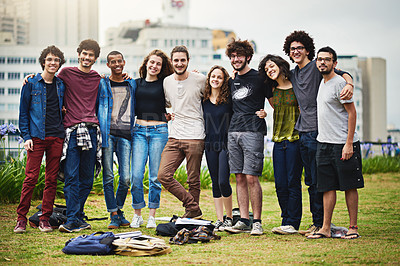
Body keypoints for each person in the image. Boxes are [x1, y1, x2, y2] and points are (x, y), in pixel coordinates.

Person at [283, 31, 354, 236]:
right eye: (292, 49)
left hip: (319, 132)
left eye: (299, 48)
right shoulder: (294, 73)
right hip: (302, 131)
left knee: (319, 181)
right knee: (310, 181)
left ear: (307, 50)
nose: (296, 51)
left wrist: (349, 83)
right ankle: (318, 222)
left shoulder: (317, 66)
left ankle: (323, 224)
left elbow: (342, 73)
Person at [307, 47, 363, 239]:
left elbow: (352, 113)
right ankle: (325, 228)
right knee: (327, 186)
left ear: (335, 63)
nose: (323, 62)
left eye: (327, 60)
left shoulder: (340, 84)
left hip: (342, 143)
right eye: (320, 59)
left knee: (349, 185)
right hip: (323, 142)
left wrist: (348, 144)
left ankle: (353, 227)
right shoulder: (323, 83)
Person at [14, 45, 66, 233]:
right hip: (36, 137)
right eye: (50, 59)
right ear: (43, 61)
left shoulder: (61, 84)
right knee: (30, 178)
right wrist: (26, 136)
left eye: (56, 60)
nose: (53, 63)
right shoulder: (31, 83)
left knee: (51, 180)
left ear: (60, 63)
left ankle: (45, 218)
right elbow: (23, 113)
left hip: (56, 137)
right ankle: (21, 219)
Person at [223, 39, 272, 235]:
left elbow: (275, 100)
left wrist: (266, 113)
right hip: (233, 131)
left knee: (252, 177)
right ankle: (244, 219)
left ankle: (257, 221)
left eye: (239, 56)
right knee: (239, 176)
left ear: (248, 57)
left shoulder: (260, 78)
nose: (236, 59)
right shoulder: (231, 80)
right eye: (233, 56)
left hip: (253, 131)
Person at [58, 39, 102, 232]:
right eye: (84, 53)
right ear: (79, 54)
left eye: (91, 55)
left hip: (92, 131)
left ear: (95, 58)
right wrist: (32, 78)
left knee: (88, 179)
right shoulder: (66, 73)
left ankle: (76, 215)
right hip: (73, 131)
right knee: (71, 177)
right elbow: (50, 84)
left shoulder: (97, 78)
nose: (87, 57)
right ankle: (72, 219)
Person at [157, 45, 206, 219]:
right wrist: (166, 115)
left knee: (193, 179)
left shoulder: (200, 79)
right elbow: (169, 103)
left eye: (182, 60)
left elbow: (213, 97)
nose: (179, 63)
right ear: (171, 61)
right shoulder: (166, 81)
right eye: (176, 60)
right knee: (163, 175)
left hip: (195, 135)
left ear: (188, 61)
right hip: (174, 134)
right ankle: (193, 206)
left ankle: (192, 215)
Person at [259, 55, 303, 235]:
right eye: (267, 69)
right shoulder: (271, 89)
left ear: (280, 65)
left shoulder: (297, 83)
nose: (270, 70)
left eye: (272, 66)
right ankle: (286, 219)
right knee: (280, 183)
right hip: (277, 140)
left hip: (295, 139)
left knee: (293, 182)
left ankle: (293, 222)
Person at [130, 49, 173, 228]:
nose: (154, 66)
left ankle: (152, 216)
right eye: (152, 62)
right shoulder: (135, 83)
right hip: (138, 130)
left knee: (155, 177)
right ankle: (137, 214)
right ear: (146, 63)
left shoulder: (165, 84)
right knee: (136, 176)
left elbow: (181, 87)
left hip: (159, 131)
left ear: (161, 67)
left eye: (158, 64)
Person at [98, 51, 136, 229]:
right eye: (112, 62)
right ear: (108, 65)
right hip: (107, 134)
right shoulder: (102, 83)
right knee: (108, 176)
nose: (116, 64)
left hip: (126, 135)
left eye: (119, 61)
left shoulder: (132, 84)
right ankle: (113, 213)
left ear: (124, 62)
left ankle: (118, 209)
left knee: (126, 178)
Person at [202, 65, 233, 231]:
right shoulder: (204, 101)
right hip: (209, 144)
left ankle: (229, 217)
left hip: (225, 144)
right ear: (209, 79)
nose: (215, 79)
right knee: (215, 182)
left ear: (224, 80)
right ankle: (219, 219)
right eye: (213, 76)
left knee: (223, 181)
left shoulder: (229, 101)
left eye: (219, 77)